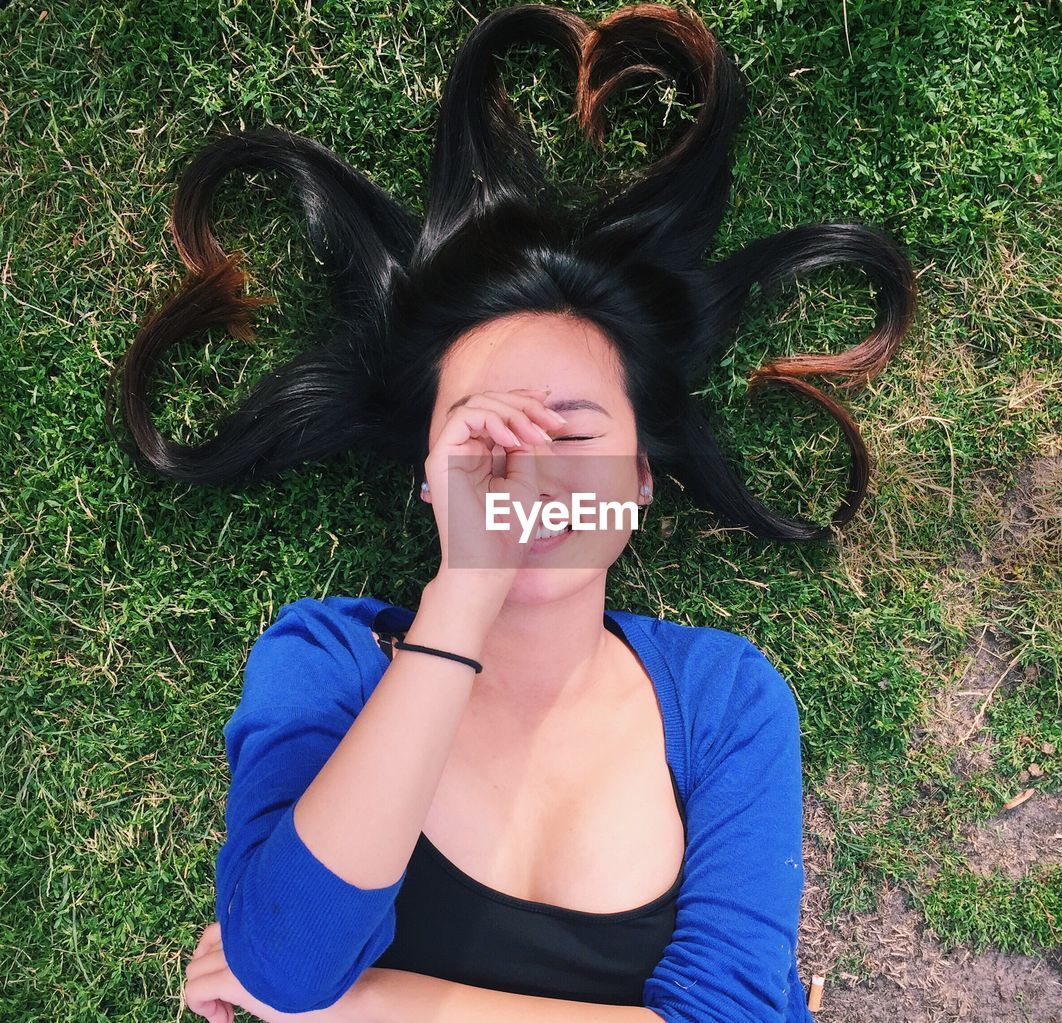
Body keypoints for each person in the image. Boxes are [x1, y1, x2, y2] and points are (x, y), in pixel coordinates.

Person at [108, 5, 915, 1020]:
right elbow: (283, 959)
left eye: (571, 437)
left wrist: (362, 1009)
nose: (525, 473)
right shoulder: (326, 663)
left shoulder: (723, 703)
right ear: (425, 478)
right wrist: (462, 598)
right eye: (483, 443)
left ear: (638, 484)